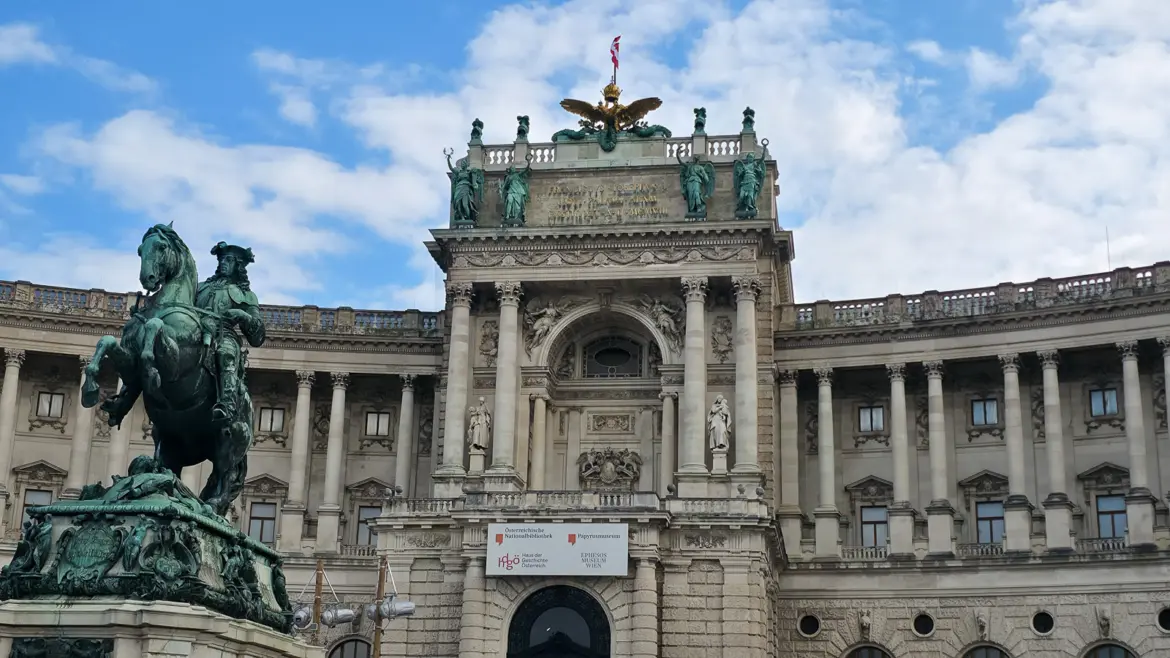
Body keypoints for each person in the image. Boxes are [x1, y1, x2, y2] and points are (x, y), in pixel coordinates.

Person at [196, 242, 266, 424]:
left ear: (239, 266)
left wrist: (242, 315)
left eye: (229, 260)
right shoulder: (201, 287)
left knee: (225, 354)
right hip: (195, 331)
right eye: (221, 260)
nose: (223, 263)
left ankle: (226, 405)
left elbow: (257, 336)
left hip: (223, 335)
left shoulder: (246, 295)